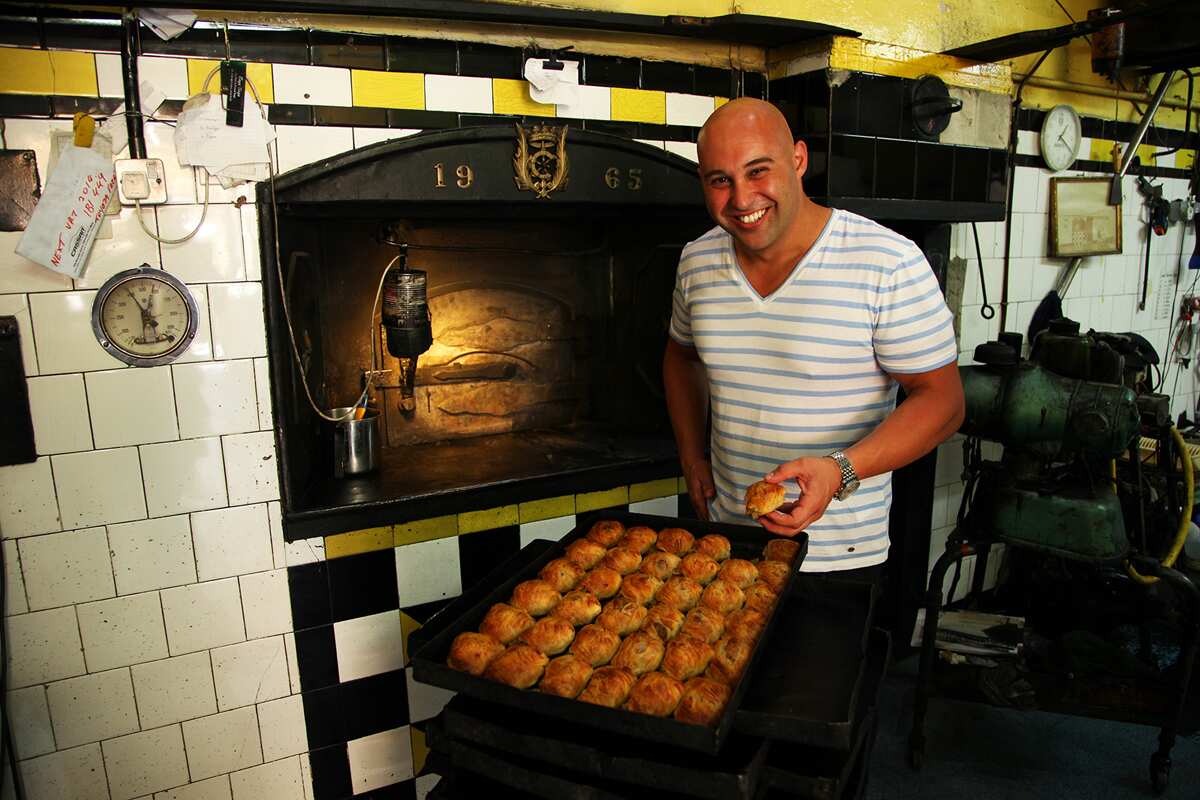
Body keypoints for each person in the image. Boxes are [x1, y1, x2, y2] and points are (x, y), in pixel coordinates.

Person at [662, 98, 965, 572]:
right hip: (728, 542)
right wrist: (691, 456)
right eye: (720, 180)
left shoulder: (887, 262)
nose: (741, 199)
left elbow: (944, 403)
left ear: (799, 160)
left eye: (758, 171)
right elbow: (681, 357)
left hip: (839, 556)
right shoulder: (697, 260)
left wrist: (840, 470)